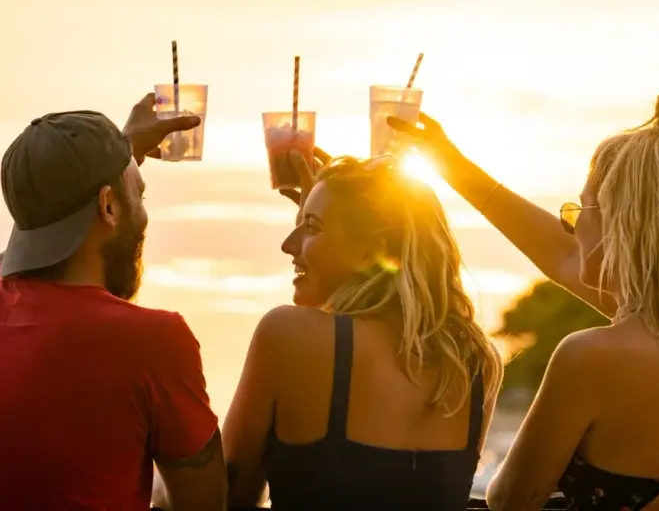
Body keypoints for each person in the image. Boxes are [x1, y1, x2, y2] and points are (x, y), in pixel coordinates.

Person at [390, 95, 659, 511]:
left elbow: (510, 499)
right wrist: (449, 163)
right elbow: (561, 256)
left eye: (579, 209)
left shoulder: (592, 355)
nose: (570, 226)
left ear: (618, 226)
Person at [222, 154, 504, 511]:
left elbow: (229, 492)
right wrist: (321, 227)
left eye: (311, 227)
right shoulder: (473, 361)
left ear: (373, 249)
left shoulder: (289, 335)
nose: (288, 245)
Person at [0, 94, 226, 511]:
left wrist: (116, 157)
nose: (143, 213)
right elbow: (205, 502)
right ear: (107, 205)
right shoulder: (156, 342)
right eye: (139, 194)